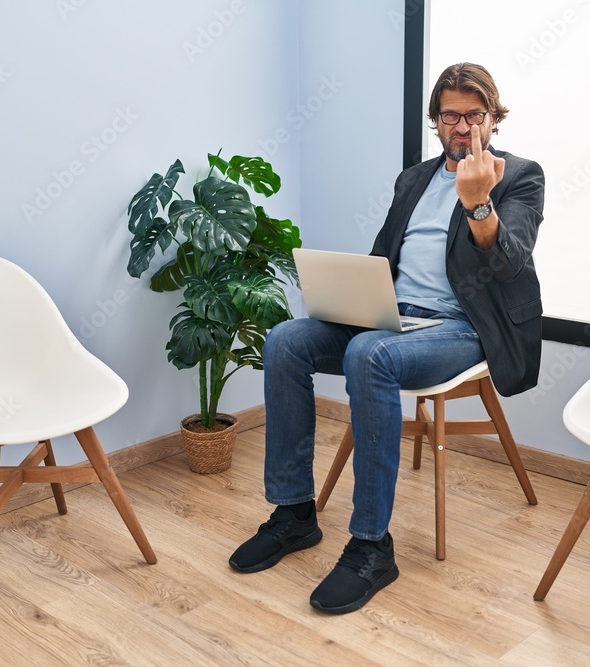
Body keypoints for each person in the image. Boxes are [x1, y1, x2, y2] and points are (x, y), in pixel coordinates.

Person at [229, 62, 545, 614]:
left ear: (494, 118)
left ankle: (372, 546)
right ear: (437, 121)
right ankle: (294, 514)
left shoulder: (518, 175)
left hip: (461, 330)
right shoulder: (414, 179)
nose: (463, 125)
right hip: (392, 317)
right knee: (284, 339)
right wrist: (353, 298)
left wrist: (477, 202)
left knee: (367, 353)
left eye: (475, 114)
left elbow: (510, 263)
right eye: (451, 114)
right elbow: (383, 260)